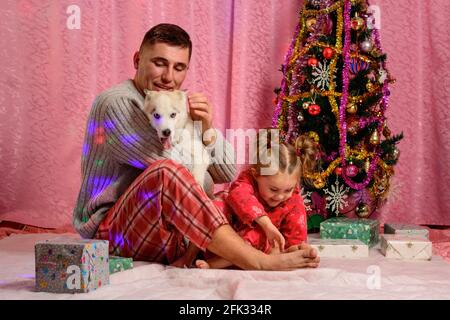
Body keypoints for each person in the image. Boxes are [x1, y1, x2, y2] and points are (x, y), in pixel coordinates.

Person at [73, 23, 320, 270]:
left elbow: (227, 173)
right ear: (138, 60)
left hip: (167, 228)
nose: (169, 77)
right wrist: (196, 137)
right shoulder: (116, 103)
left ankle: (278, 245)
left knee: (233, 199)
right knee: (166, 171)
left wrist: (207, 129)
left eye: (179, 67)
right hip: (115, 233)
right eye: (159, 63)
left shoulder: (176, 101)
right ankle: (259, 261)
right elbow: (174, 169)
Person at [195, 132, 318, 269]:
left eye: (288, 190)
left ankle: (215, 265)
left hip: (258, 248)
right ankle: (191, 253)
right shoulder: (247, 180)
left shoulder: (294, 202)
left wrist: (297, 250)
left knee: (258, 235)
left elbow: (295, 236)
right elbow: (239, 195)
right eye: (274, 190)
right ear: (256, 175)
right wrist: (266, 224)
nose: (280, 196)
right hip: (225, 236)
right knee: (212, 206)